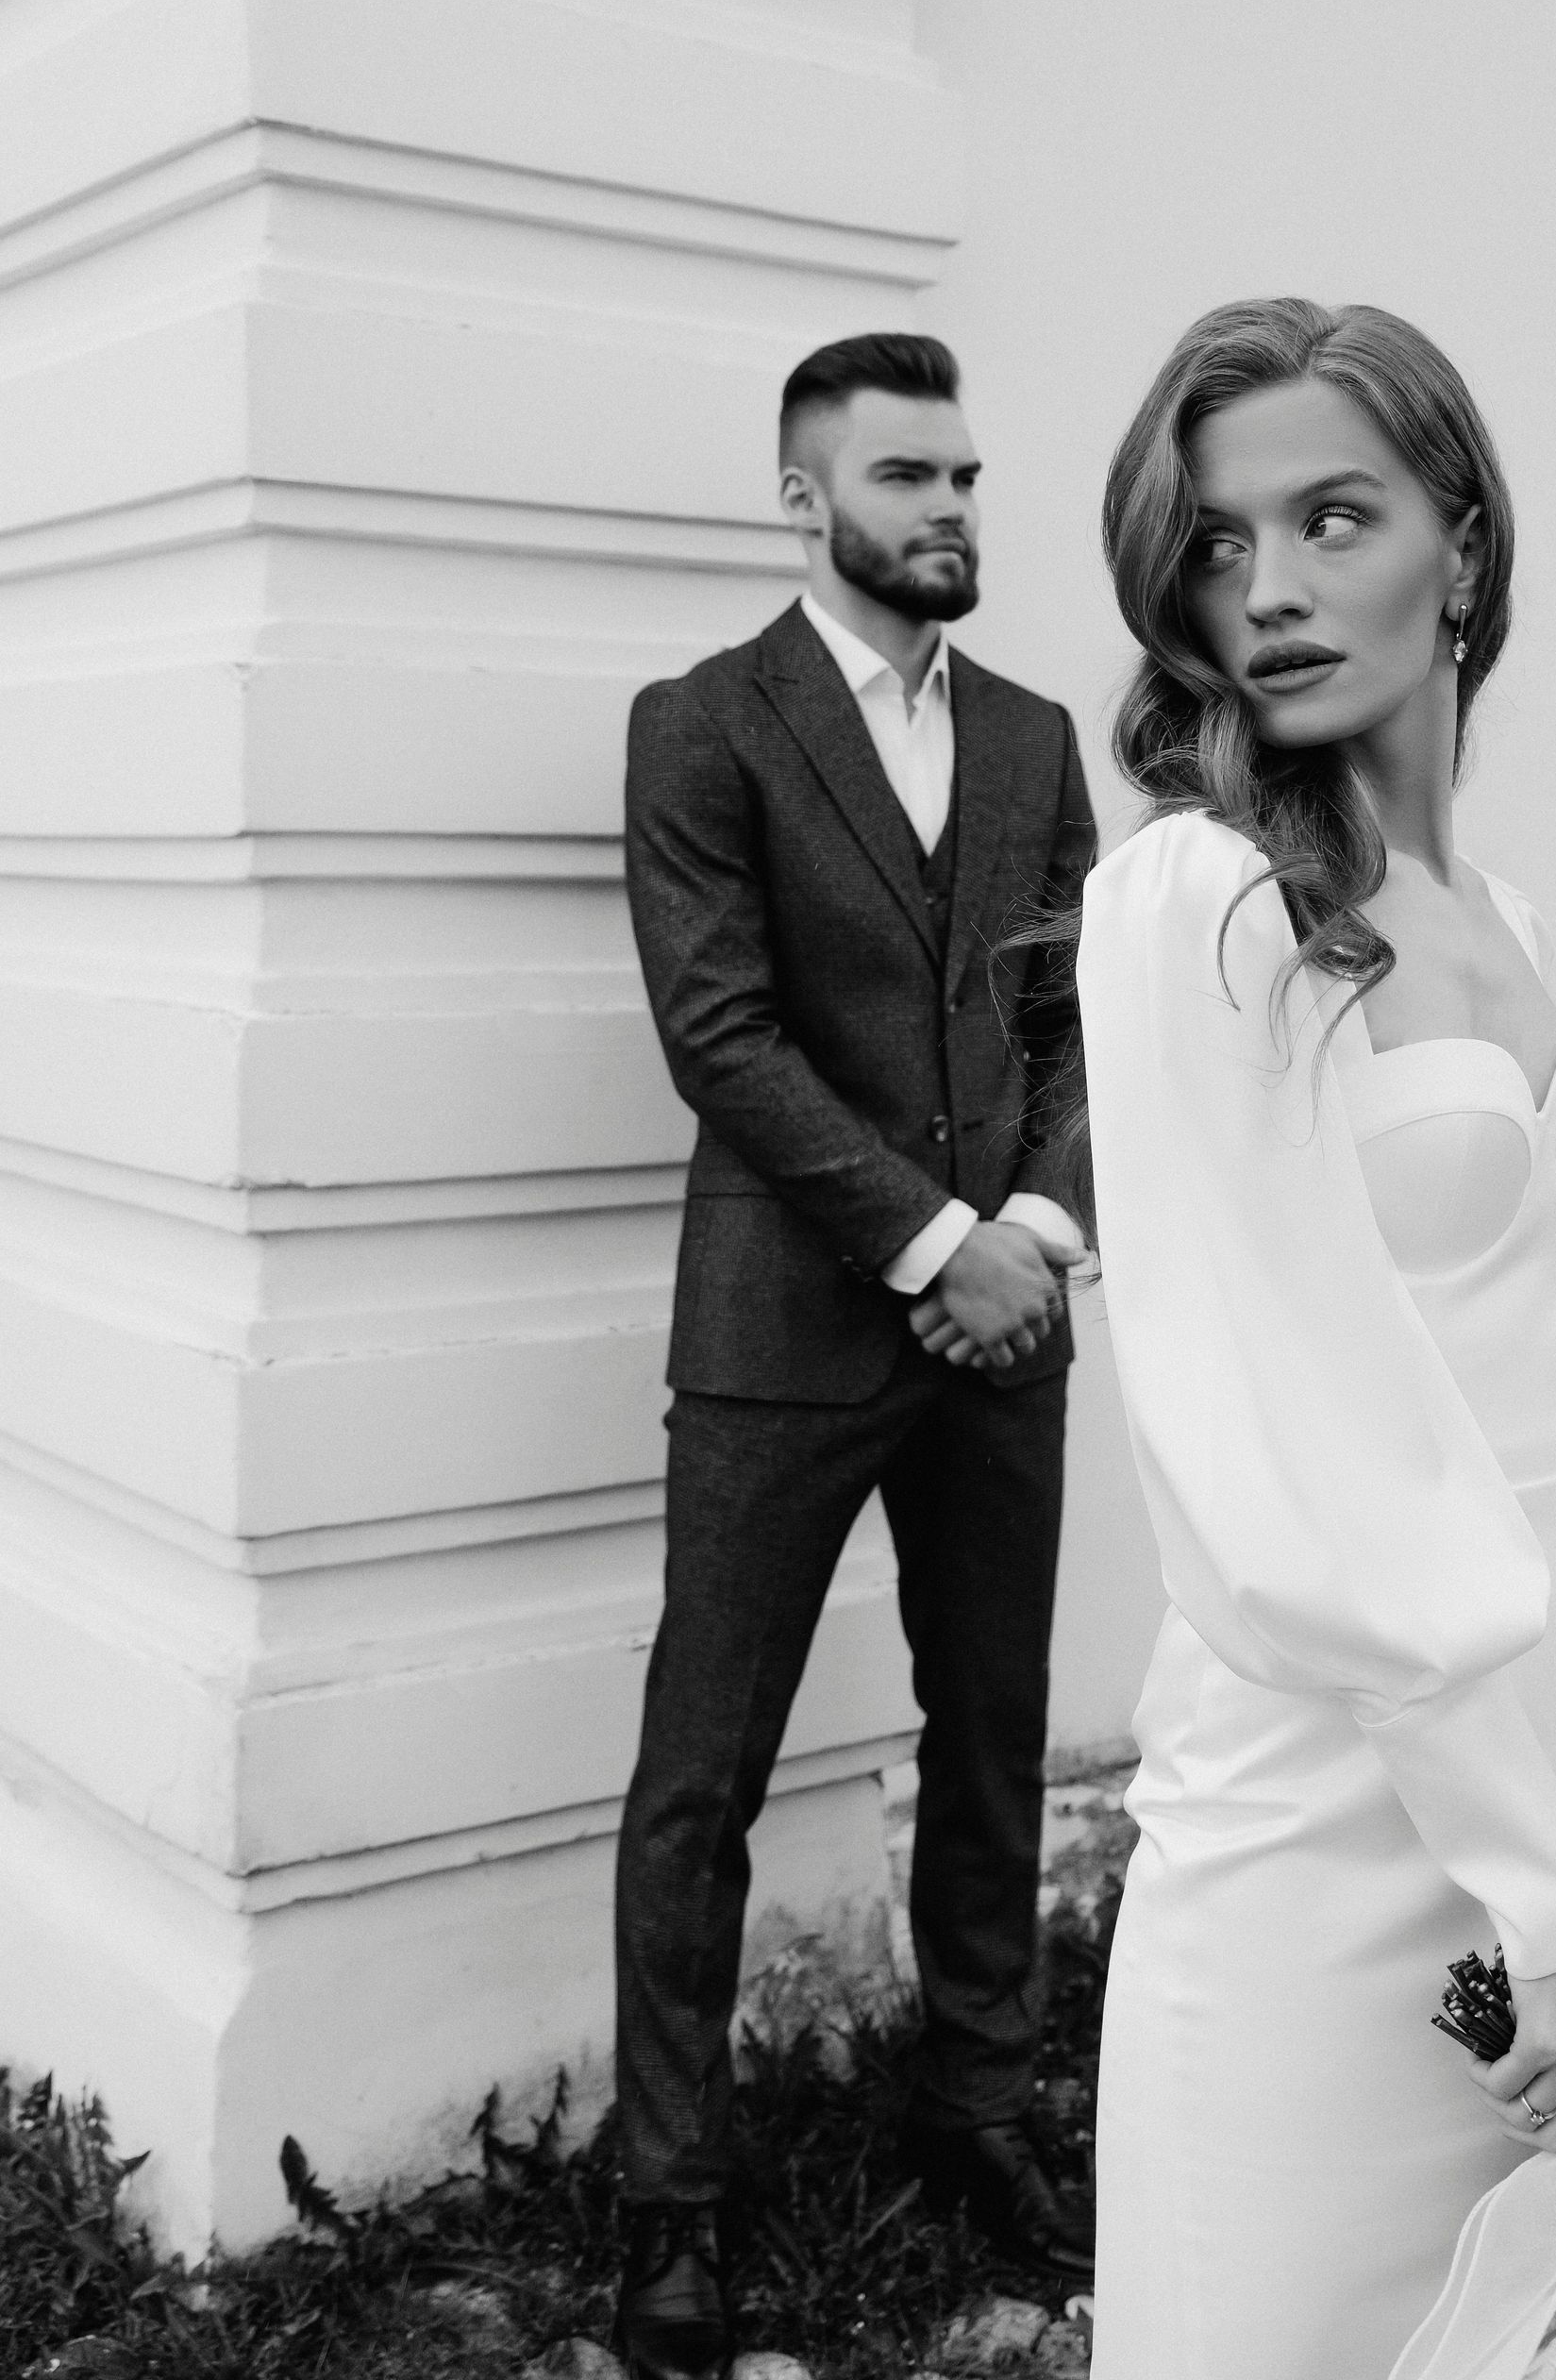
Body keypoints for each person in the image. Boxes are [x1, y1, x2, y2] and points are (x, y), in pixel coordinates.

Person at [1073, 300, 1556, 2378]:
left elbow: (1453, 1287)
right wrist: (1526, 1893)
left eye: (1333, 516)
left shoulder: (1512, 920)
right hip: (1352, 1792)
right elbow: (1269, 1403)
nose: (1273, 589)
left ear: (1461, 546)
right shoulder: (1203, 905)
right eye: (1218, 544)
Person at [612, 332, 1098, 2380]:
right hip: (782, 1333)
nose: (955, 510)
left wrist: (1043, 1235)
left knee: (991, 1744)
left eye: (970, 476)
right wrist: (933, 1246)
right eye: (910, 478)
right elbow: (717, 1034)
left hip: (1012, 1330)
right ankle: (671, 2205)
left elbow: (1079, 1024)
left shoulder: (1039, 732)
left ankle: (975, 2114)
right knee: (698, 1779)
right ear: (803, 498)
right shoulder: (703, 725)